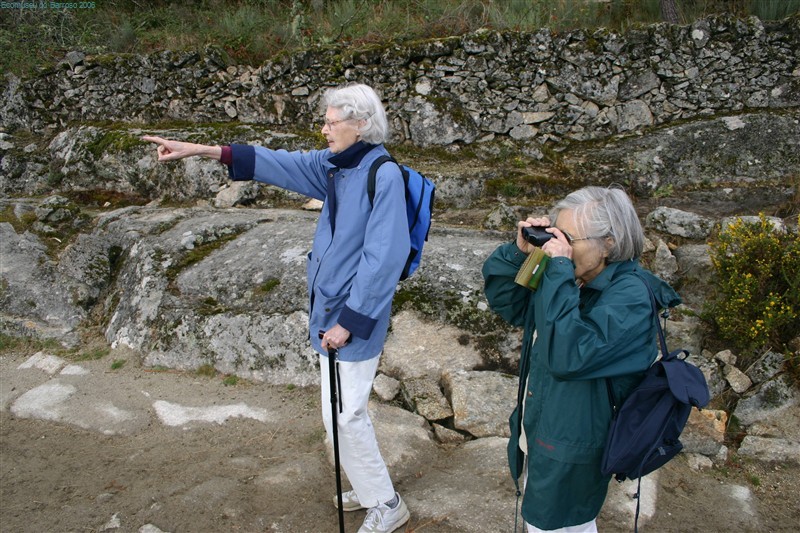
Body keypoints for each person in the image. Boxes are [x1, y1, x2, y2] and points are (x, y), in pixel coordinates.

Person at [142, 83, 411, 533]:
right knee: (335, 411)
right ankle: (369, 489)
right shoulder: (335, 166)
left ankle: (387, 503)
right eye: (324, 120)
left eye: (331, 121)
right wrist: (198, 150)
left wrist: (349, 322)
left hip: (353, 319)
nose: (323, 129)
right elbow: (276, 161)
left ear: (360, 124)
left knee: (346, 413)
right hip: (332, 313)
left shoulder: (381, 174)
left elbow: (384, 258)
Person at [482, 186, 681, 532]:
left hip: (572, 445)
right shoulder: (574, 278)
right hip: (543, 428)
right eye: (555, 234)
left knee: (559, 525)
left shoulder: (630, 297)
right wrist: (521, 252)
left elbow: (568, 355)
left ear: (610, 242)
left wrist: (558, 267)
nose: (558, 246)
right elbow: (509, 303)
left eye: (568, 238)